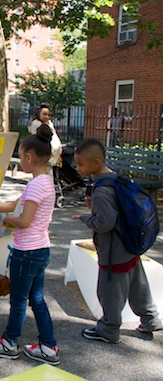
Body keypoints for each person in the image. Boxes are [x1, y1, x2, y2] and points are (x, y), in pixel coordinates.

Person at [0, 124, 59, 365]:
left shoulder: (36, 185)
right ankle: (48, 346)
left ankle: (9, 342)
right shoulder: (45, 182)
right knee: (36, 299)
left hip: (26, 253)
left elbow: (23, 219)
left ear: (29, 157)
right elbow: (15, 204)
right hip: (40, 250)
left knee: (18, 300)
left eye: (21, 156)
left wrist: (7, 221)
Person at [72, 139, 162, 343]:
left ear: (96, 162)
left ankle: (109, 329)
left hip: (114, 252)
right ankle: (150, 319)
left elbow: (104, 223)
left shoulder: (101, 190)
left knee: (109, 292)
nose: (77, 168)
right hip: (129, 246)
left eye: (81, 164)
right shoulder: (114, 178)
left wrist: (87, 218)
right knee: (138, 286)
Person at [28, 103, 62, 177]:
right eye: (44, 114)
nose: (47, 117)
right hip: (43, 157)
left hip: (50, 157)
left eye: (48, 115)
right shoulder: (36, 125)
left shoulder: (49, 124)